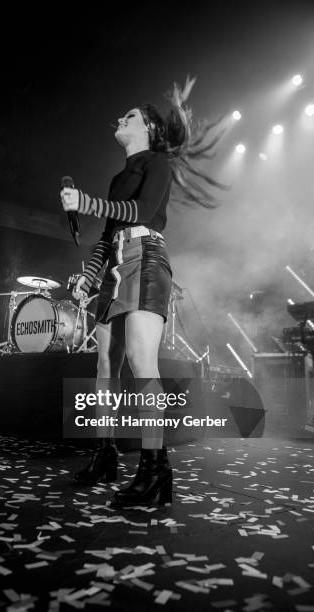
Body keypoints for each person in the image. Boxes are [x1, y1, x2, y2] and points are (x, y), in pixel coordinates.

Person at [61, 78, 225, 507]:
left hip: (145, 257)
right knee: (104, 367)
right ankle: (105, 452)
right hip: (115, 265)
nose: (121, 117)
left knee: (140, 359)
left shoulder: (156, 164)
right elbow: (104, 237)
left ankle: (155, 468)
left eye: (130, 115)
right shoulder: (118, 178)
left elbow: (141, 213)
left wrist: (86, 203)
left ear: (149, 129)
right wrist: (89, 277)